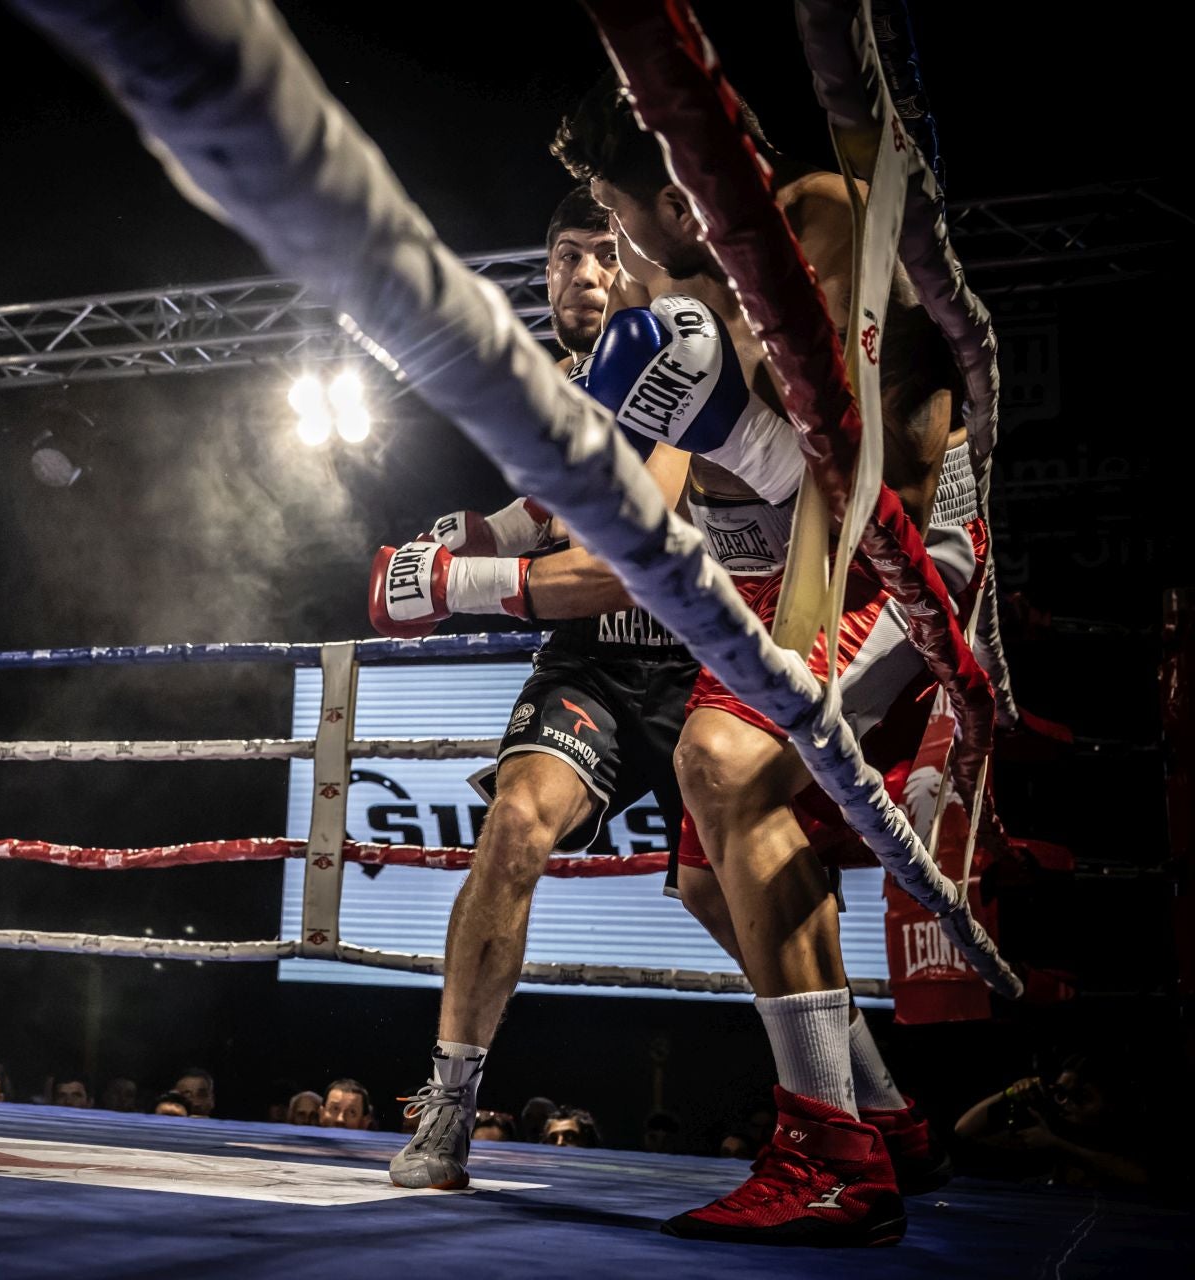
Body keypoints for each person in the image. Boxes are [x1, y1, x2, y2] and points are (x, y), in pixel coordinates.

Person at [553, 70, 971, 1246]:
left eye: (608, 199)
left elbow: (875, 454)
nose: (609, 237)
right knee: (702, 870)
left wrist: (789, 638)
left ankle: (830, 1150)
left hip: (897, 548)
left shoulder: (823, 220)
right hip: (781, 559)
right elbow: (643, 475)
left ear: (674, 193)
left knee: (727, 766)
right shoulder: (671, 276)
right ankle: (882, 1118)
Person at [379, 187, 700, 1194]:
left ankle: (855, 1102)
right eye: (565, 256)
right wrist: (471, 533)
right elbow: (554, 508)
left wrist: (457, 580)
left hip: (701, 659)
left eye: (606, 252)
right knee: (513, 825)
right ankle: (453, 1103)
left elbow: (635, 554)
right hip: (589, 665)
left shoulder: (691, 354)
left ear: (639, 262)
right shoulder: (557, 389)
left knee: (719, 889)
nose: (586, 274)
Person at [954, 1054, 1155, 1190]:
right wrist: (1009, 1094)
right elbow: (965, 1129)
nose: (1067, 1103)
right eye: (1062, 1094)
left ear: (1112, 1103)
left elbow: (1146, 1179)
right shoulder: (1051, 1129)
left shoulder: (1128, 1147)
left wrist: (1057, 1145)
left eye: (1082, 1096)